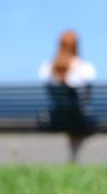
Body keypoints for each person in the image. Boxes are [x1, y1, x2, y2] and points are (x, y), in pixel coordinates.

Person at [38, 31, 97, 162]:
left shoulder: (47, 67)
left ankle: (72, 156)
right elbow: (86, 97)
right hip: (77, 118)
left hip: (55, 118)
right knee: (81, 118)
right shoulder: (84, 67)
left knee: (71, 115)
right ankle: (73, 154)